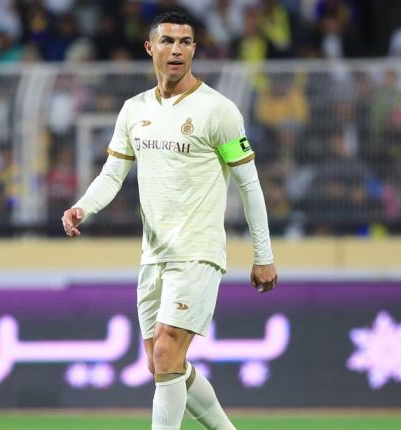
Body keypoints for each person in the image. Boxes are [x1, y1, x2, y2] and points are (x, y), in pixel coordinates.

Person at [61, 12, 277, 430]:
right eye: (167, 41)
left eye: (185, 42)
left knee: (165, 353)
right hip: (153, 255)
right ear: (150, 47)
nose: (176, 50)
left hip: (197, 252)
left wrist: (263, 255)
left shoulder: (218, 110)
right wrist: (82, 207)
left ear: (194, 49)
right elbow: (112, 174)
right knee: (162, 363)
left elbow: (250, 186)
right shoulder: (134, 109)